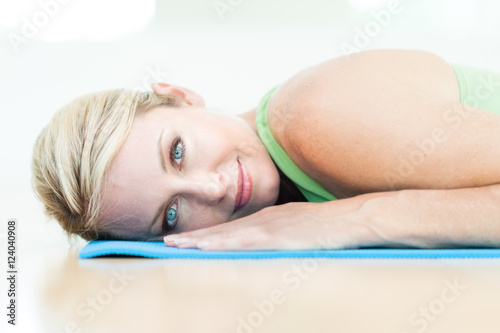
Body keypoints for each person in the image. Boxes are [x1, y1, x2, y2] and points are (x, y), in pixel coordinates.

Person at [31, 48, 500, 251]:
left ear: (181, 96)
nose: (211, 188)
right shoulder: (285, 186)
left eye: (176, 152)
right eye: (171, 215)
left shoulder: (314, 115)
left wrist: (354, 220)